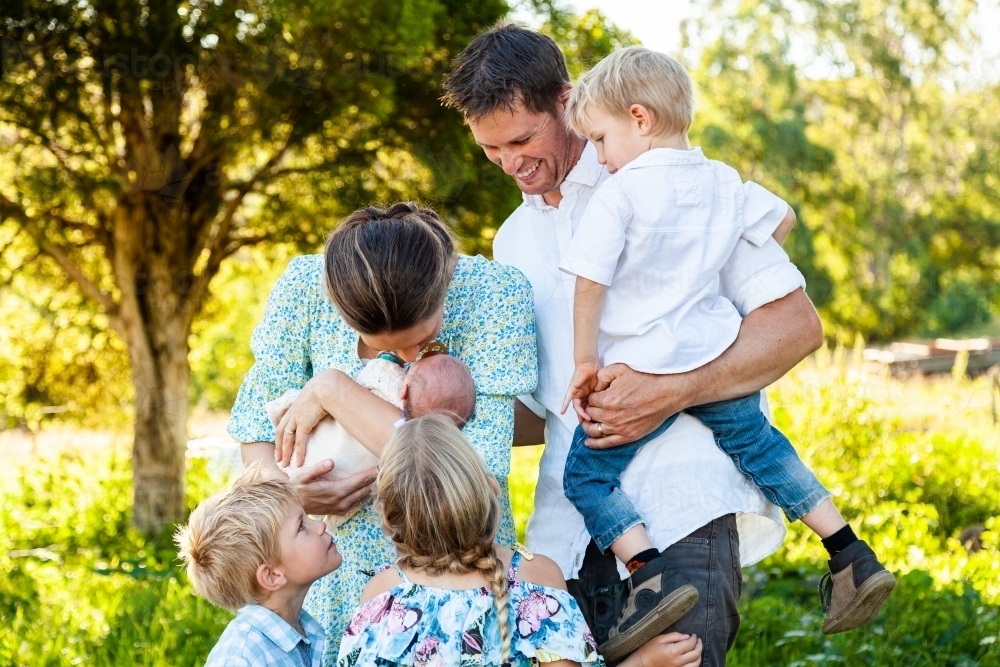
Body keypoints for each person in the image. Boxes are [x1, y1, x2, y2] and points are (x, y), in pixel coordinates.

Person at [441, 22, 824, 666]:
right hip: (566, 529)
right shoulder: (510, 242)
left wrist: (672, 391)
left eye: (522, 139)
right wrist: (411, 419)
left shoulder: (677, 187)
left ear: (566, 100)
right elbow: (549, 406)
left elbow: (796, 328)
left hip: (681, 503)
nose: (510, 163)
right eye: (491, 150)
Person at [557, 46, 895, 650]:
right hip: (713, 361)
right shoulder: (725, 183)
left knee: (584, 477)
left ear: (639, 119)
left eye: (601, 140)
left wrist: (586, 362)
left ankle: (650, 577)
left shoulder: (622, 192)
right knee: (762, 448)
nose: (600, 158)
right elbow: (783, 219)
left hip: (639, 373)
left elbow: (589, 283)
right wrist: (706, 244)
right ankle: (847, 550)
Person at [228, 202, 537, 664]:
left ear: (445, 284)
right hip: (332, 577)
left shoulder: (495, 295)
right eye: (379, 347)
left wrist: (335, 390)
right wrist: (289, 497)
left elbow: (477, 475)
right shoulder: (303, 289)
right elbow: (256, 429)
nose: (405, 358)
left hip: (458, 582)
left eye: (421, 339)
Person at [338, 414, 703, 667]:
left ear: (389, 519)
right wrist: (643, 662)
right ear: (491, 490)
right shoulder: (536, 580)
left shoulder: (381, 596)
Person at [266, 353, 476, 528]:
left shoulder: (389, 382)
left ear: (404, 389)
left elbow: (377, 372)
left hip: (298, 462)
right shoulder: (422, 439)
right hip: (330, 495)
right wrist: (290, 498)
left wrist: (330, 388)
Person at [175, 465, 340, 667]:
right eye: (301, 526)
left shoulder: (302, 630)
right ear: (271, 576)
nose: (321, 525)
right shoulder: (240, 658)